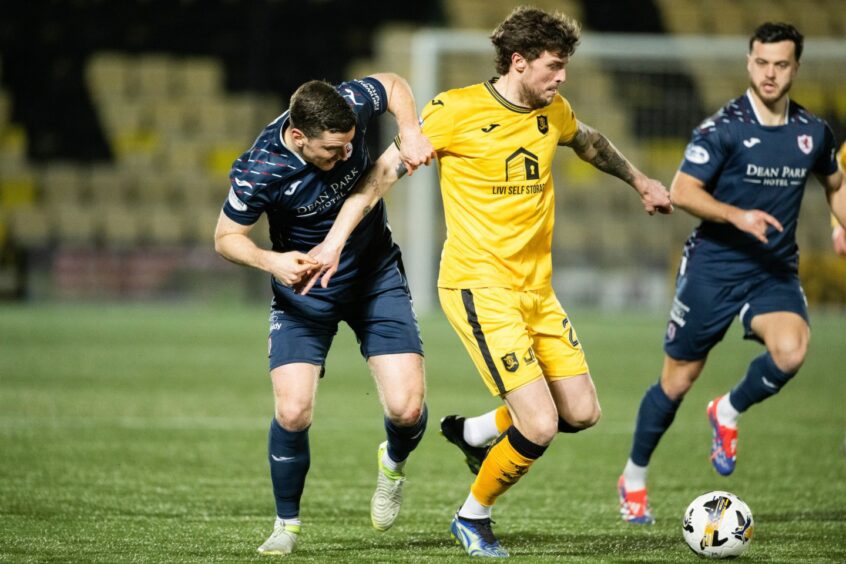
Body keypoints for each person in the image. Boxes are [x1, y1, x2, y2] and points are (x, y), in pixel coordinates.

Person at [300, 7, 672, 557]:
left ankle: (476, 433)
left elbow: (589, 140)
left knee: (582, 413)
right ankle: (472, 516)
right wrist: (333, 242)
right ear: (518, 62)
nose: (561, 77)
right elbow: (378, 176)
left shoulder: (554, 110)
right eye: (553, 66)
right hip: (479, 287)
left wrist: (639, 181)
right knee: (541, 424)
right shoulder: (454, 111)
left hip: (537, 291)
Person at [617, 22, 846, 525]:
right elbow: (682, 191)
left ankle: (727, 410)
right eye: (761, 63)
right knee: (677, 383)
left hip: (773, 269)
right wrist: (736, 215)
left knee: (792, 351)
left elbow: (835, 181)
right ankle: (633, 478)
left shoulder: (813, 132)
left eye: (780, 64)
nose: (770, 73)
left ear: (796, 68)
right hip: (713, 269)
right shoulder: (723, 128)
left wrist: (840, 222)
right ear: (749, 63)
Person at [213, 74, 435, 555]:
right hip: (305, 291)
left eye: (349, 147)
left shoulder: (347, 105)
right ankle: (286, 526)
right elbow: (225, 238)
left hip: (375, 273)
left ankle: (393, 464)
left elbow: (394, 84)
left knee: (407, 409)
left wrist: (412, 130)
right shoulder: (260, 169)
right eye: (331, 151)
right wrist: (272, 262)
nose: (343, 159)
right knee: (292, 411)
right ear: (297, 138)